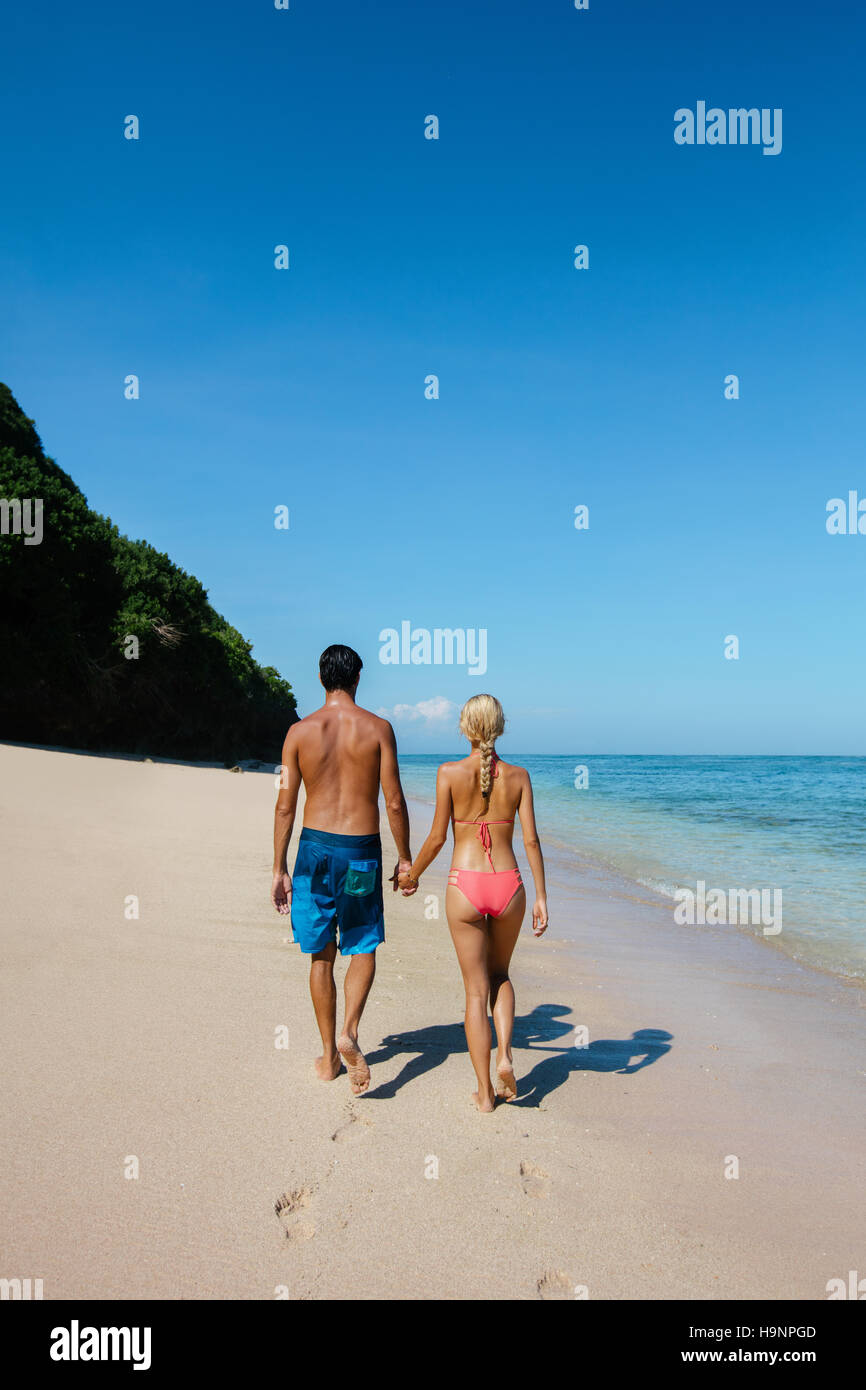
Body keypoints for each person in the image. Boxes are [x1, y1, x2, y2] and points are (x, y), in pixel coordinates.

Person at [271, 644, 415, 1094]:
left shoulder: (298, 732)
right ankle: (349, 1030)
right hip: (361, 852)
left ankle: (329, 1057)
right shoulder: (378, 729)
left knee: (321, 953)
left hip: (313, 852)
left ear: (320, 680)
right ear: (356, 680)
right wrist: (405, 857)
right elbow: (392, 799)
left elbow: (285, 805)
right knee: (363, 942)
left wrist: (278, 867)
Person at [398, 694, 548, 1111]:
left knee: (474, 991)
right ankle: (504, 1056)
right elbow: (532, 840)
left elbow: (436, 838)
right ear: (500, 726)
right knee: (501, 975)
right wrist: (541, 896)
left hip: (464, 886)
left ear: (465, 727)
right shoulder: (519, 776)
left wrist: (411, 875)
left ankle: (484, 1094)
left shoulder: (448, 773)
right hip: (509, 886)